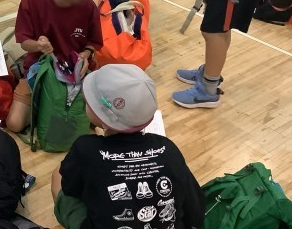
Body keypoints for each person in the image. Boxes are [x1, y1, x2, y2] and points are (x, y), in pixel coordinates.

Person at [51, 64, 206, 229]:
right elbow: (196, 211)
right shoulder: (168, 149)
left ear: (100, 116)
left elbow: (70, 188)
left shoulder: (85, 149)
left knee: (57, 176)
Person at [6, 0, 103, 133]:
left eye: (76, 2)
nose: (70, 5)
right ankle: (45, 105)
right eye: (67, 0)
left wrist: (86, 54)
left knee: (101, 122)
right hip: (39, 71)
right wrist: (38, 45)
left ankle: (48, 108)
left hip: (76, 75)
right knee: (14, 123)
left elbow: (93, 42)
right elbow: (25, 43)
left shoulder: (88, 6)